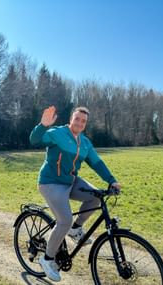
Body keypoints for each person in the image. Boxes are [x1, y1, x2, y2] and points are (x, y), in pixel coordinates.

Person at [29, 105, 121, 282]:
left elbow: (97, 163)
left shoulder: (84, 143)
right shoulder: (57, 133)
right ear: (71, 119)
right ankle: (47, 259)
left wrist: (111, 180)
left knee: (96, 196)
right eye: (77, 119)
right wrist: (42, 125)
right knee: (64, 220)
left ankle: (76, 229)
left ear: (85, 124)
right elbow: (35, 140)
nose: (79, 122)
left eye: (83, 121)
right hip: (51, 183)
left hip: (70, 181)